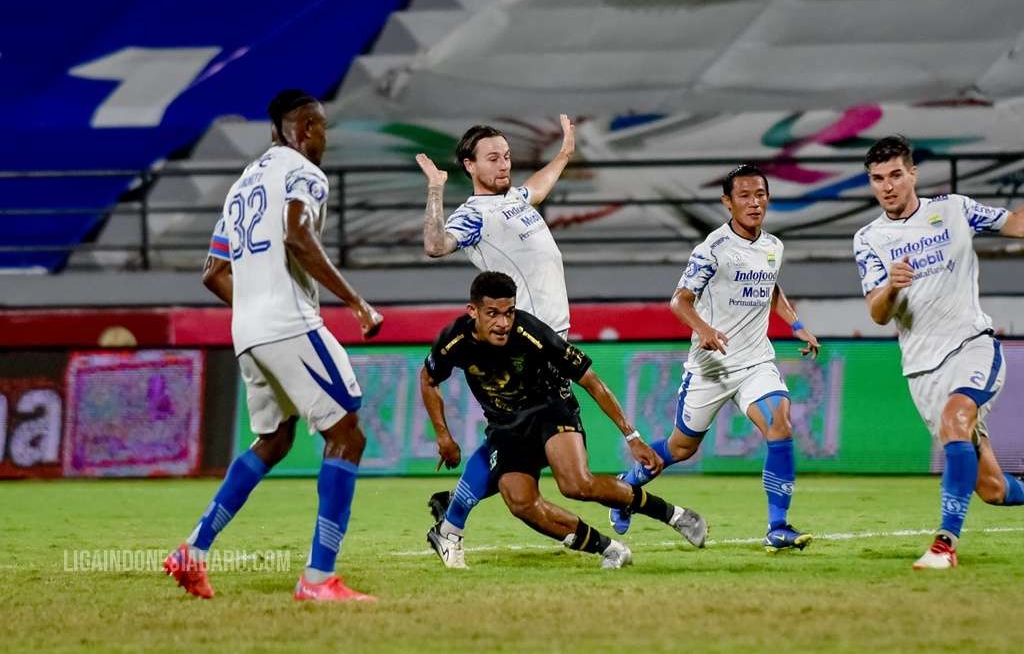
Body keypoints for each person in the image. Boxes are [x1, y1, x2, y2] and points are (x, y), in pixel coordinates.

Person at [853, 135, 1024, 569]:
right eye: (878, 179)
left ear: (913, 173)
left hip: (971, 346)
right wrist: (891, 287)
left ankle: (945, 545)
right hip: (921, 369)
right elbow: (878, 314)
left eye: (896, 175)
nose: (888, 186)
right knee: (992, 489)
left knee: (956, 419)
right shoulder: (868, 239)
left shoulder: (954, 209)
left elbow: (1019, 223)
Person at [164, 89, 383, 601]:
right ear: (305, 128)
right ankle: (318, 579)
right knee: (347, 436)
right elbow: (297, 236)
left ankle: (192, 551)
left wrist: (253, 311)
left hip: (248, 330)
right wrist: (357, 302)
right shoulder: (304, 172)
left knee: (275, 440)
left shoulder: (242, 184)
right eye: (322, 128)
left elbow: (213, 273)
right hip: (288, 323)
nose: (325, 138)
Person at [419, 271, 707, 569]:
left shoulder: (532, 333)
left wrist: (631, 436)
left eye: (509, 312)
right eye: (493, 314)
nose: (503, 323)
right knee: (520, 502)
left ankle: (676, 516)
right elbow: (428, 379)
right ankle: (609, 548)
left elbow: (592, 381)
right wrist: (442, 435)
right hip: (505, 426)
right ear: (473, 311)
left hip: (549, 409)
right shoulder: (453, 340)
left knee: (576, 484)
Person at [612, 164, 821, 552]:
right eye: (744, 195)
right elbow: (679, 300)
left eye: (760, 194)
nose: (754, 203)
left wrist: (797, 326)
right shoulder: (712, 249)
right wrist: (703, 330)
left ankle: (778, 527)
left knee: (780, 423)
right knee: (680, 449)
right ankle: (627, 485)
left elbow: (773, 289)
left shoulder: (773, 246)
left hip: (756, 362)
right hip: (712, 366)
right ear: (727, 202)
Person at [414, 117, 575, 569]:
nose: (503, 164)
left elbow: (536, 189)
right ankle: (451, 521)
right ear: (470, 165)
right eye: (492, 158)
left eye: (505, 156)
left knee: (522, 447)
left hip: (550, 339)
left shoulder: (516, 200)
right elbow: (435, 244)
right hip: (524, 342)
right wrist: (435, 190)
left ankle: (452, 508)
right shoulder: (472, 215)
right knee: (520, 444)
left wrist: (563, 154)